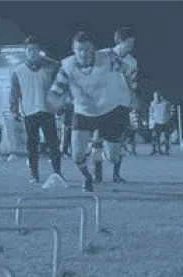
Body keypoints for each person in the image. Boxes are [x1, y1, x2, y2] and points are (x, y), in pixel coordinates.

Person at [48, 28, 137, 192]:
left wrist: (129, 92)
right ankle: (88, 178)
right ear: (74, 50)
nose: (83, 53)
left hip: (109, 111)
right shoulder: (67, 66)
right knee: (77, 155)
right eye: (79, 50)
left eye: (87, 49)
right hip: (83, 112)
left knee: (113, 157)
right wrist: (59, 102)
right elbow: (54, 92)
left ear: (93, 49)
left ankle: (104, 154)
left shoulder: (108, 59)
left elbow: (128, 72)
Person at [10, 35, 66, 186]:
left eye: (35, 50)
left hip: (47, 110)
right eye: (29, 50)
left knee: (53, 144)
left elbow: (59, 85)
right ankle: (34, 174)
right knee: (32, 145)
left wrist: (60, 106)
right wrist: (14, 110)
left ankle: (57, 173)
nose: (33, 53)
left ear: (39, 51)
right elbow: (14, 93)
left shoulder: (49, 68)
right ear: (25, 51)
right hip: (29, 112)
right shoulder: (18, 71)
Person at [149, 91, 172, 156]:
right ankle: (159, 150)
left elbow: (168, 112)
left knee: (162, 137)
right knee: (158, 137)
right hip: (160, 122)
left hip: (162, 122)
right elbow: (151, 112)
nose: (156, 97)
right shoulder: (154, 103)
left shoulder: (165, 103)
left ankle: (162, 150)